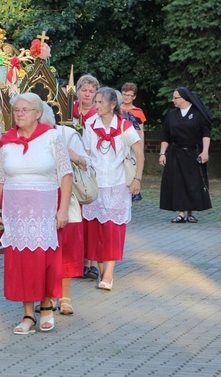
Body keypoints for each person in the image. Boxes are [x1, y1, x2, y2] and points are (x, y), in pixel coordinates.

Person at [0, 92, 72, 335]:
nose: (20, 114)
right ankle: (28, 313)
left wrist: (63, 209)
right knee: (22, 261)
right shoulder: (6, 141)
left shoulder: (51, 137)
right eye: (17, 110)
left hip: (44, 211)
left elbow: (66, 175)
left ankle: (46, 306)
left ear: (38, 113)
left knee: (44, 259)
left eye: (25, 110)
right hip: (15, 213)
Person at [81, 88, 144, 291]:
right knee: (96, 230)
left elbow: (139, 154)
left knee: (112, 230)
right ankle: (102, 270)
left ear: (112, 105)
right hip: (96, 184)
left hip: (117, 185)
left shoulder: (125, 126)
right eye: (95, 101)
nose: (96, 105)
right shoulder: (90, 125)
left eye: (99, 102)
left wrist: (137, 179)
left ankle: (109, 273)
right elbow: (87, 154)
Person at [40, 104, 88, 315]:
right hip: (40, 202)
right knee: (44, 253)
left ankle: (65, 296)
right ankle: (46, 297)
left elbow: (87, 164)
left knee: (66, 250)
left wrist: (71, 154)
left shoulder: (66, 134)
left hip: (65, 200)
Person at [159, 87, 213, 224]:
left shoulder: (197, 114)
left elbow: (205, 133)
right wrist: (162, 153)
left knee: (192, 183)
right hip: (175, 153)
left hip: (192, 153)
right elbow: (166, 136)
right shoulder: (171, 114)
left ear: (184, 98)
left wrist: (205, 151)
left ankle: (190, 212)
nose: (173, 100)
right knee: (177, 182)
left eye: (175, 97)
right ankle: (181, 213)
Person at [73, 74, 101, 280]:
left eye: (91, 91)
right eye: (84, 90)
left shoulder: (98, 113)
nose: (88, 94)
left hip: (90, 165)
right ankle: (76, 262)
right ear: (78, 91)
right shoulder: (68, 109)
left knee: (90, 215)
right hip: (72, 165)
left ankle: (90, 262)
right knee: (76, 215)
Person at [120, 82, 146, 147]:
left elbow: (140, 132)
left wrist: (141, 151)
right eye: (124, 94)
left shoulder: (138, 112)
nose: (126, 97)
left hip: (134, 145)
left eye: (128, 95)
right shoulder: (116, 110)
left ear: (134, 97)